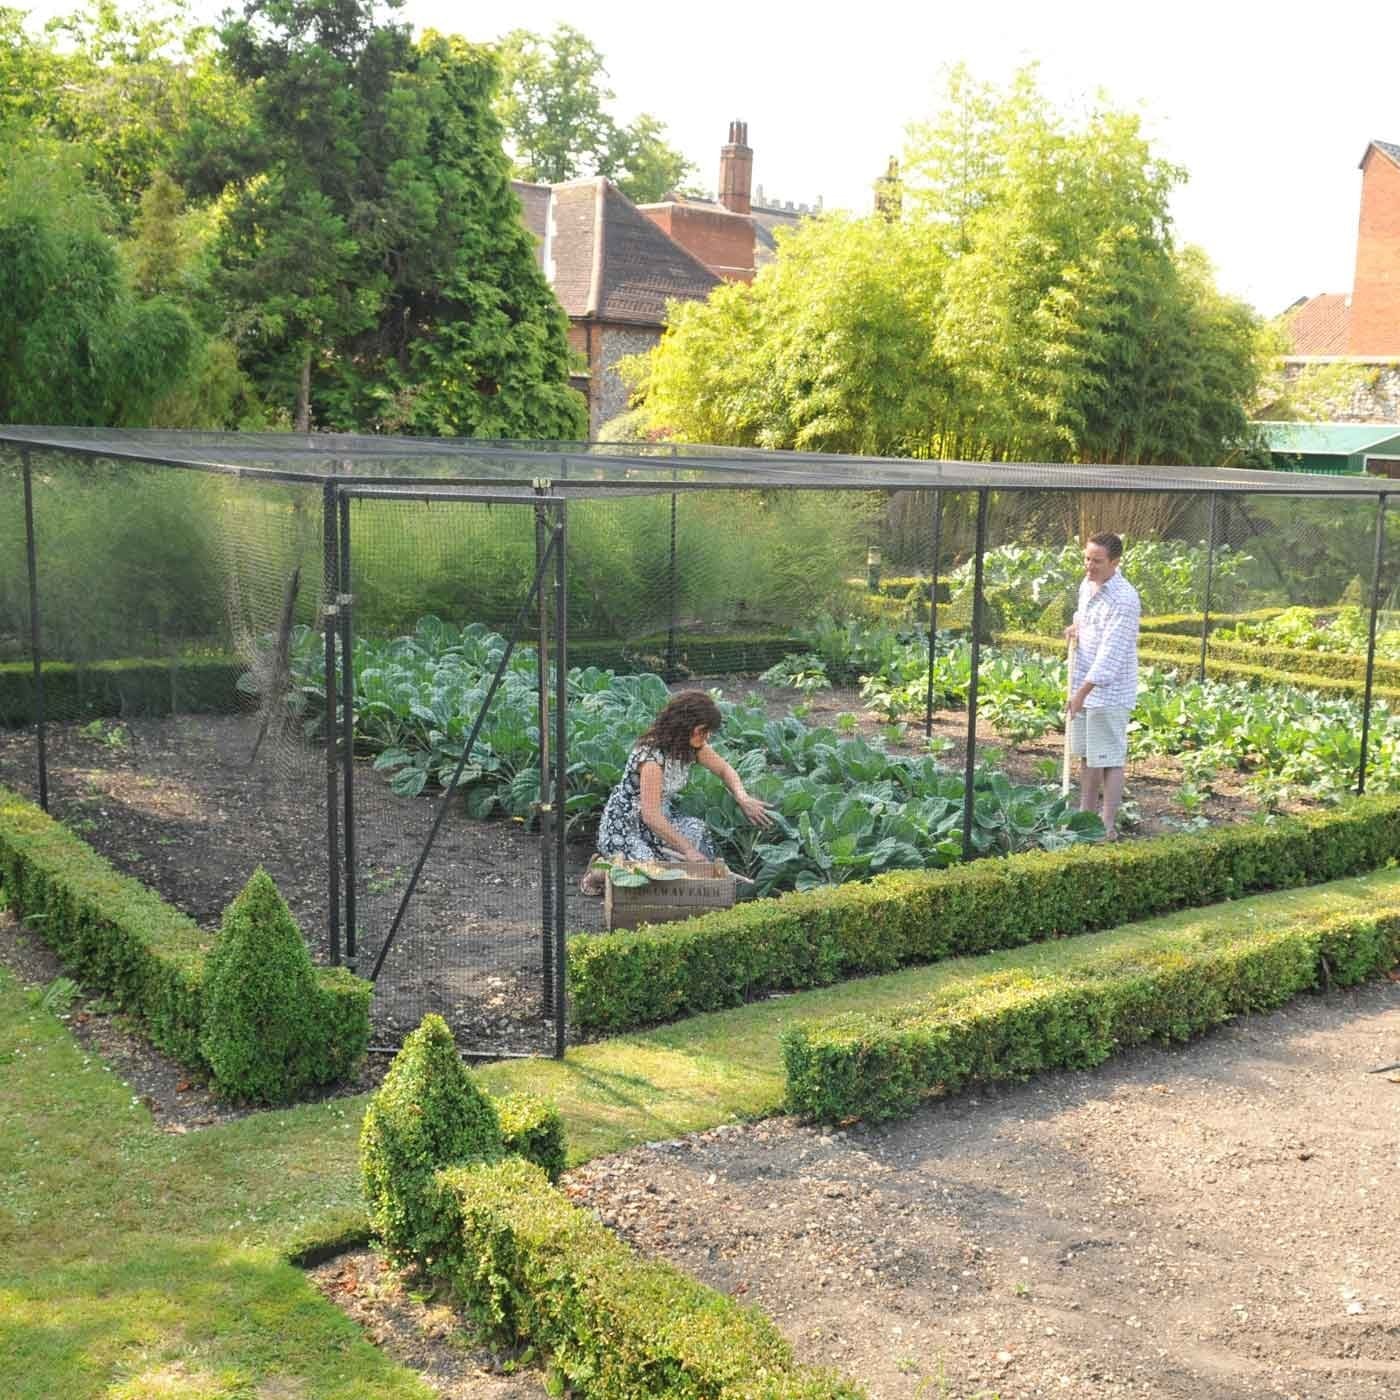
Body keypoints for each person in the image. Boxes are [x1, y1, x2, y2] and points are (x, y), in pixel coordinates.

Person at [579, 689, 773, 894]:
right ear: (685, 727)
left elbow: (725, 769)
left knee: (696, 831)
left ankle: (709, 890)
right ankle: (600, 870)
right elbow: (650, 815)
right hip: (627, 822)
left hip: (662, 815)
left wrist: (742, 797)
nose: (707, 736)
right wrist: (687, 850)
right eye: (703, 731)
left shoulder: (693, 746)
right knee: (648, 870)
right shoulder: (651, 758)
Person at [1064, 531, 1140, 841]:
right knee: (1087, 755)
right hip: (1082, 680)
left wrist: (1081, 693)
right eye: (1086, 559)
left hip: (1108, 691)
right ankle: (1085, 818)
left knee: (1109, 758)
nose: (1089, 566)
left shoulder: (1125, 599)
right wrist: (1075, 626)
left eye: (1096, 561)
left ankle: (1106, 826)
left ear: (1115, 562)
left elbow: (1111, 654)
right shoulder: (1088, 584)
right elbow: (1084, 616)